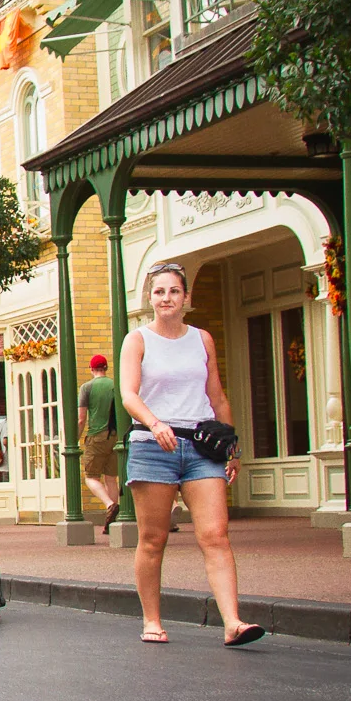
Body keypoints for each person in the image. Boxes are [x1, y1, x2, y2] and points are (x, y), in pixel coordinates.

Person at [117, 264, 263, 648]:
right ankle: (152, 619)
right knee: (153, 538)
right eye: (159, 291)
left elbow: (217, 397)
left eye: (174, 291)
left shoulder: (202, 339)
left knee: (216, 535)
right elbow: (129, 394)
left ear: (186, 298)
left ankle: (232, 622)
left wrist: (232, 448)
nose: (166, 298)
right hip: (154, 447)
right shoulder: (138, 340)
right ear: (149, 298)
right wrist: (154, 423)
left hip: (201, 447)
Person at [78, 354, 122, 531]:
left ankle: (110, 504)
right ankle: (111, 522)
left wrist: (74, 439)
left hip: (96, 435)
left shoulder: (87, 387)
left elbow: (81, 418)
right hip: (116, 436)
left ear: (91, 369)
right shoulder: (114, 385)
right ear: (106, 368)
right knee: (111, 478)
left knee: (91, 477)